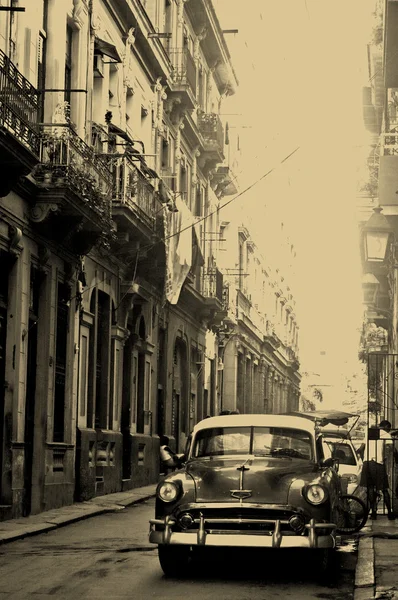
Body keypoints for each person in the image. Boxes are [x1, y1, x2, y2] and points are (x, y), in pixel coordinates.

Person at [360, 420, 395, 520]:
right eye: (388, 428)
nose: (388, 430)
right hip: (378, 464)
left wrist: (364, 458)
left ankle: (373, 513)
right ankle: (389, 513)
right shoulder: (385, 434)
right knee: (384, 489)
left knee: (370, 488)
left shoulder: (369, 432)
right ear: (386, 426)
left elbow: (361, 449)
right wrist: (389, 458)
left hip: (367, 463)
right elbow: (391, 448)